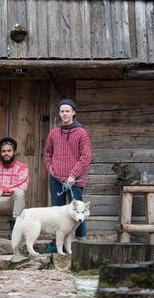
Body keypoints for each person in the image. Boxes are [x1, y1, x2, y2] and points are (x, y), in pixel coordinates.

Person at [44, 98, 92, 252]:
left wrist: (72, 175)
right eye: (62, 111)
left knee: (79, 211)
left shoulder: (81, 133)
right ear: (59, 113)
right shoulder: (54, 132)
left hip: (75, 180)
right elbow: (47, 153)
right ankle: (55, 243)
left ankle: (80, 243)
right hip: (56, 179)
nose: (64, 114)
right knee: (56, 213)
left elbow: (86, 157)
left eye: (67, 111)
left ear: (73, 113)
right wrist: (50, 168)